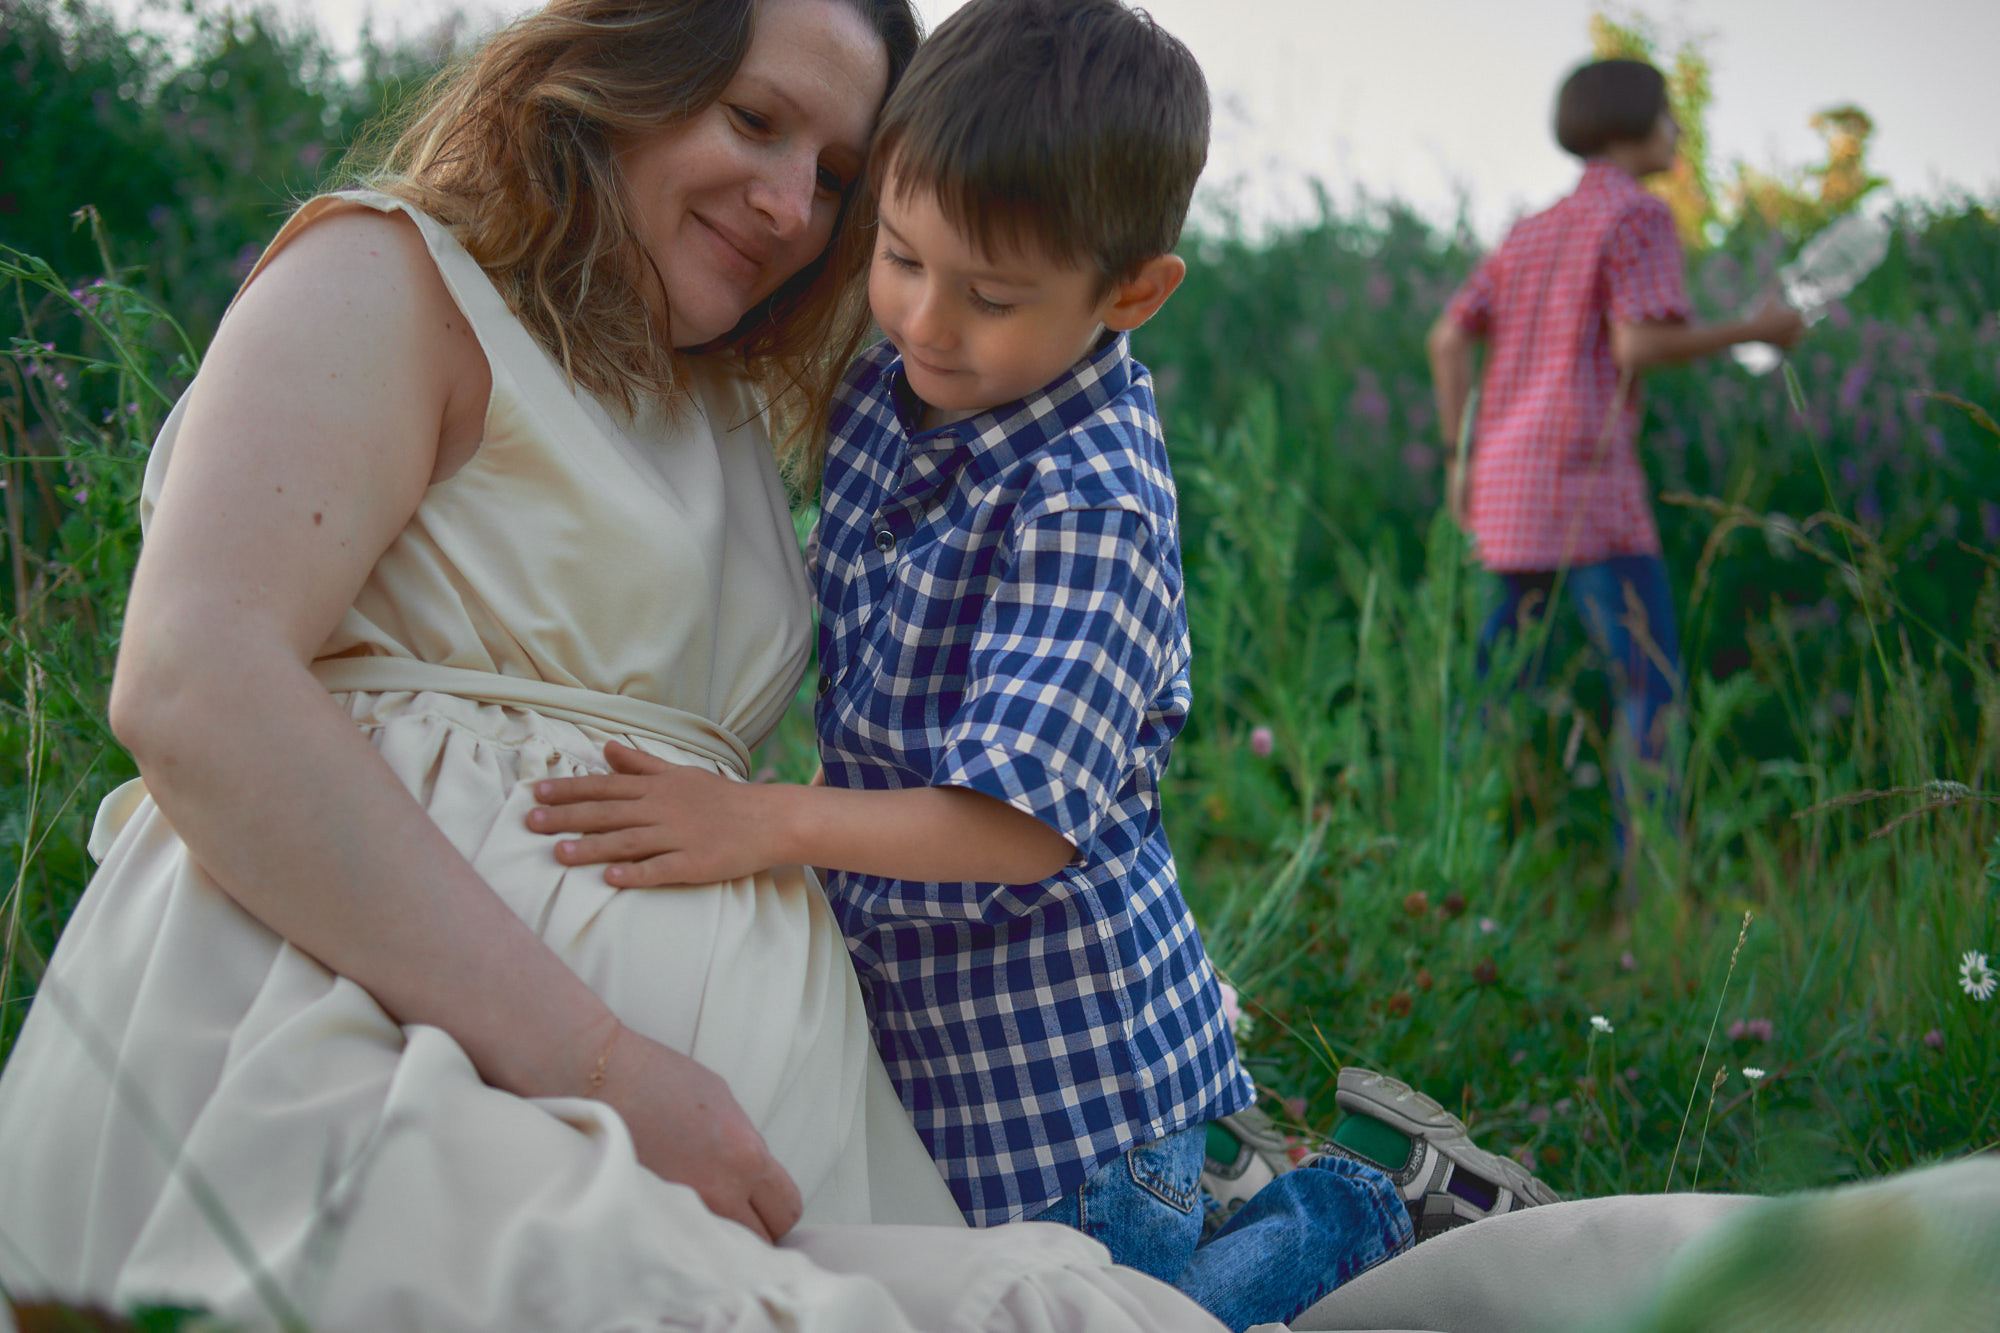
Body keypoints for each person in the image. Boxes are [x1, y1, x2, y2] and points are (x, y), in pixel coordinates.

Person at [0, 2, 1230, 1329]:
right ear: (622, 67)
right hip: (400, 1050)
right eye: (754, 121)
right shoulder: (395, 271)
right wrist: (600, 1062)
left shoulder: (734, 397)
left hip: (772, 1139)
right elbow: (193, 682)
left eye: (831, 177)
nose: (785, 203)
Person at [528, 3, 1549, 1327]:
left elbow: (1012, 828)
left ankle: (1354, 1210)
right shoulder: (906, 378)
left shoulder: (1086, 503)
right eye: (897, 257)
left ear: (1130, 293)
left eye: (992, 298)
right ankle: (1248, 1199)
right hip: (923, 1022)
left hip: (1066, 1079)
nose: (926, 322)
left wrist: (756, 821)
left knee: (1113, 1314)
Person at [1426, 58, 1806, 863]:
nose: (1677, 131)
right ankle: (1652, 892)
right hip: (1587, 488)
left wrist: (1458, 457)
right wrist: (1756, 330)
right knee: (1648, 688)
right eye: (1670, 116)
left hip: (1505, 489)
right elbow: (1640, 341)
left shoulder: (1532, 229)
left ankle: (1457, 864)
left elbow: (1448, 335)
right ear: (1635, 125)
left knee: (1495, 692)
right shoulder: (1637, 215)